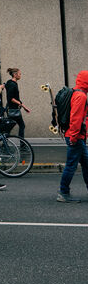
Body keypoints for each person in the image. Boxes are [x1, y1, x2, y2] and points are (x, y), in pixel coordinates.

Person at [57, 70, 88, 202]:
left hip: (75, 135)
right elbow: (76, 119)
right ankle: (63, 193)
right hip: (76, 137)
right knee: (71, 165)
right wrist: (74, 138)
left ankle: (64, 192)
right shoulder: (81, 96)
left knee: (86, 164)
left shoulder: (75, 92)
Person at [5, 67, 29, 141]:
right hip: (13, 109)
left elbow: (15, 97)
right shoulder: (12, 85)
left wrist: (21, 104)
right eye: (19, 74)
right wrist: (22, 105)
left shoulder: (10, 83)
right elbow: (11, 98)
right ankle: (22, 144)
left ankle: (4, 141)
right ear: (15, 75)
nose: (20, 75)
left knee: (10, 126)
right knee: (21, 125)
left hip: (11, 108)